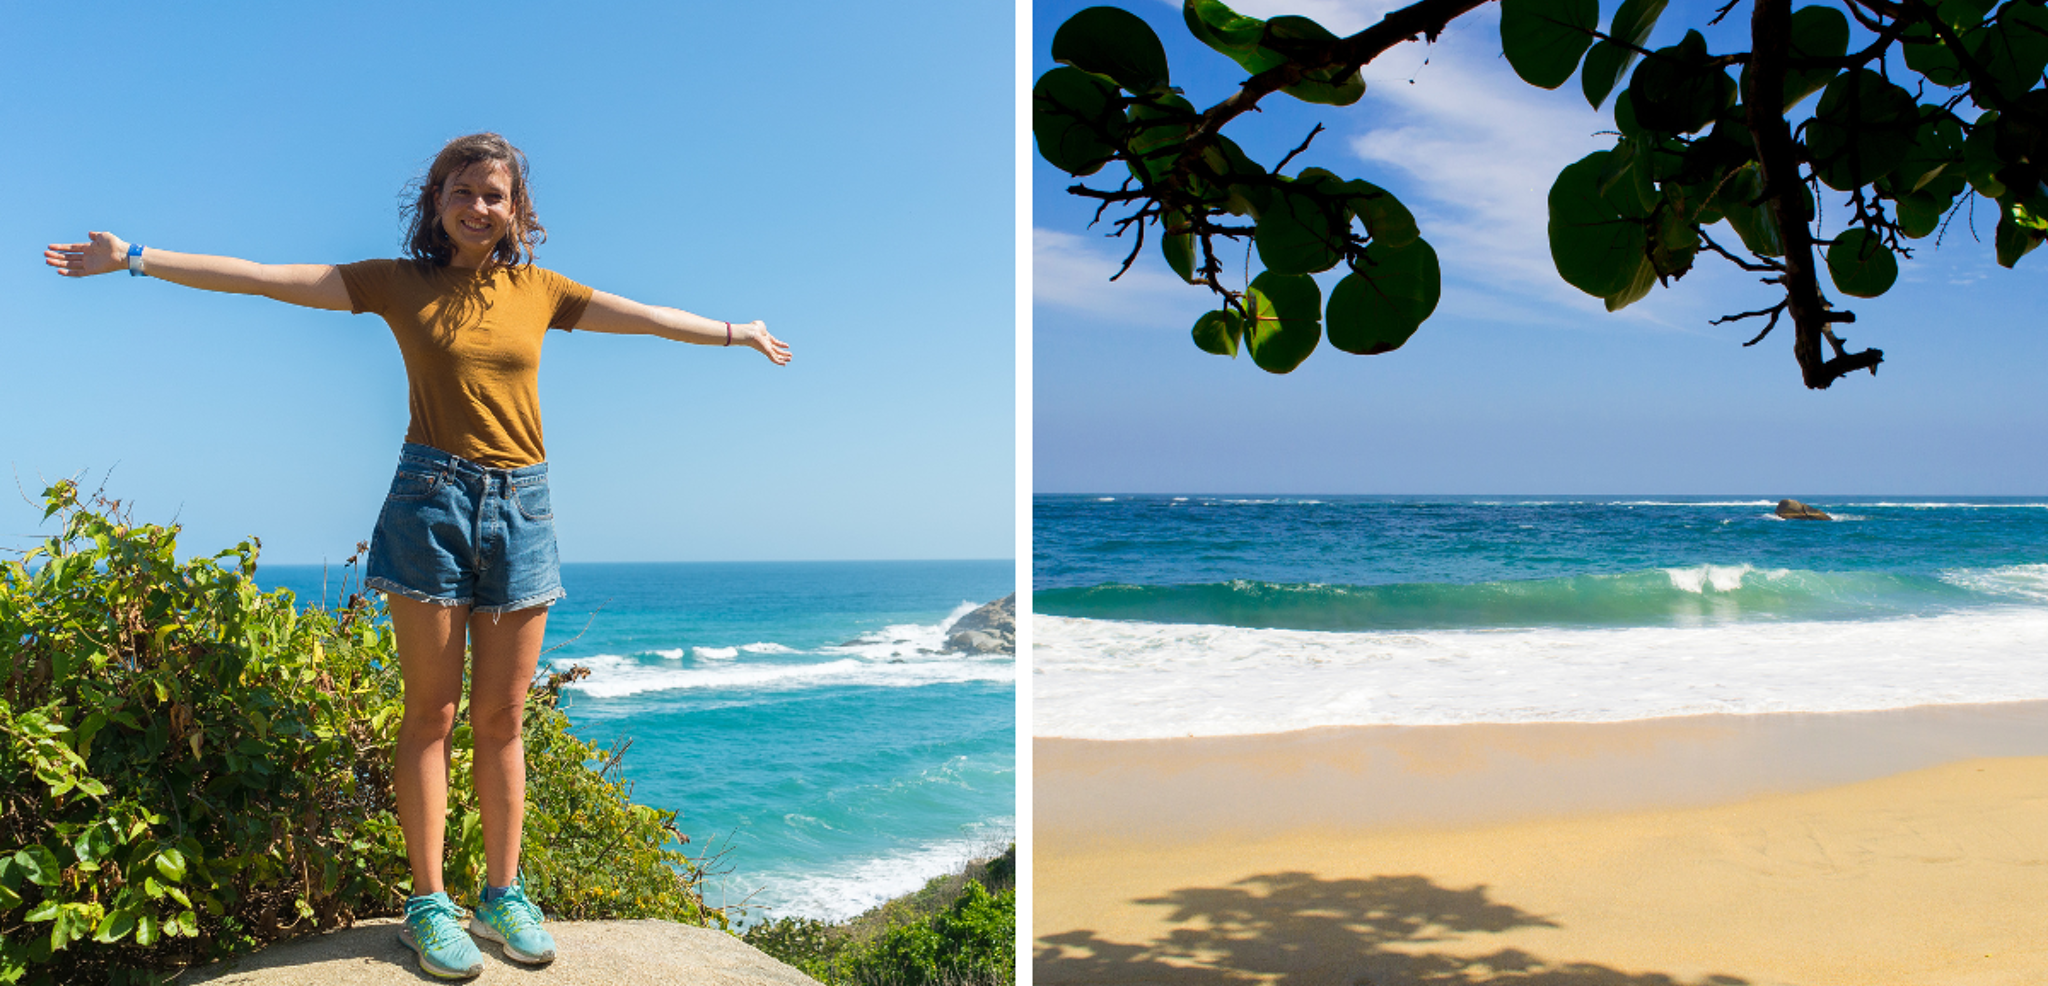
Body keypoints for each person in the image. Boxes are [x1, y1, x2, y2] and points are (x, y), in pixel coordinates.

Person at [43, 132, 791, 980]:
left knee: (502, 721)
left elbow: (648, 318)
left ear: (518, 211)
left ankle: (503, 895)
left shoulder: (540, 290)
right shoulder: (398, 284)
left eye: (495, 196)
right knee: (431, 715)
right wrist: (136, 257)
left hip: (525, 507)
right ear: (436, 201)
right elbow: (263, 277)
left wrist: (739, 332)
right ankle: (430, 904)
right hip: (429, 503)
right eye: (463, 192)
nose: (479, 207)